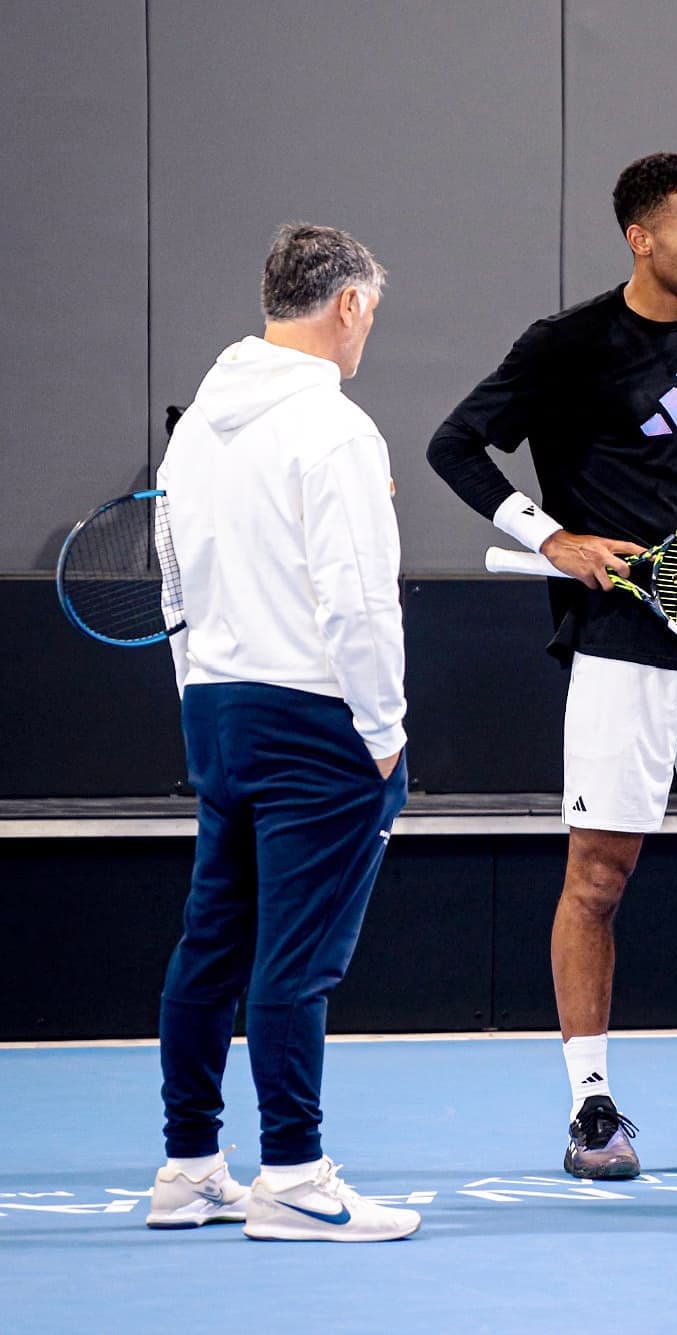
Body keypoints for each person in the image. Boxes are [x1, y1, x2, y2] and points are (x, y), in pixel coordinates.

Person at [428, 152, 677, 1180]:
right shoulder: (568, 345)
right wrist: (551, 538)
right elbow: (457, 445)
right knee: (598, 878)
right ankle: (591, 1109)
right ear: (640, 237)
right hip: (619, 653)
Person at [146, 223, 420, 1241]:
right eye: (371, 315)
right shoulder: (337, 430)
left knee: (212, 944)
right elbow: (356, 599)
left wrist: (195, 691)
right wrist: (382, 728)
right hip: (317, 723)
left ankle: (187, 1170)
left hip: (219, 709)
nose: (368, 336)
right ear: (346, 305)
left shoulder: (196, 425)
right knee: (295, 959)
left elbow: (172, 575)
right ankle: (296, 1179)